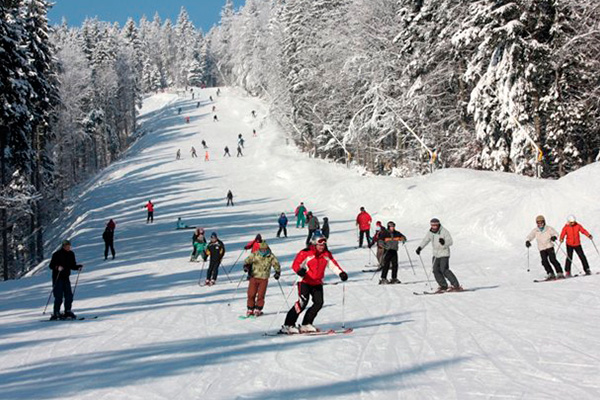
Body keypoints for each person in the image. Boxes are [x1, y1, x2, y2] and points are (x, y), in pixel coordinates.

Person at [280, 235, 348, 334]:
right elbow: (296, 264)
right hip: (305, 282)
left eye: (324, 245)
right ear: (314, 244)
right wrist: (300, 271)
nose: (322, 247)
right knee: (302, 303)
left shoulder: (326, 254)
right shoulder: (306, 253)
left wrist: (341, 273)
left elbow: (333, 265)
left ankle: (306, 324)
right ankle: (288, 324)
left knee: (319, 303)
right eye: (319, 245)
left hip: (317, 282)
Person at [416, 218, 462, 291]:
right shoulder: (430, 232)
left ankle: (456, 285)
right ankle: (443, 285)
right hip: (435, 254)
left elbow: (450, 242)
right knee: (435, 270)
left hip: (444, 253)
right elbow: (426, 240)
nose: (433, 227)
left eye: (435, 225)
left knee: (444, 269)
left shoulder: (444, 231)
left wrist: (444, 243)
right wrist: (420, 247)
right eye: (432, 225)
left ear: (438, 225)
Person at [243, 242, 281, 317]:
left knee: (261, 294)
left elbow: (276, 264)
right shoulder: (255, 254)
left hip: (264, 278)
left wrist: (277, 272)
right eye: (261, 249)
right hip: (254, 276)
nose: (263, 251)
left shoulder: (270, 256)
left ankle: (258, 309)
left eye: (265, 249)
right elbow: (247, 260)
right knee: (251, 293)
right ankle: (250, 308)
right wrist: (246, 266)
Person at [48, 240, 83, 320]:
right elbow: (51, 266)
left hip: (66, 277)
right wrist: (57, 267)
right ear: (63, 246)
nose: (68, 247)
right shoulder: (57, 254)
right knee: (58, 296)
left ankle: (67, 311)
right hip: (57, 277)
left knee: (69, 295)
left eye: (69, 246)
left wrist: (78, 267)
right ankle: (56, 312)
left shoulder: (71, 254)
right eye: (67, 246)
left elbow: (72, 265)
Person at [525, 215, 564, 280]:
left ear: (544, 222)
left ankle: (559, 272)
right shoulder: (536, 230)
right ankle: (550, 273)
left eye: (541, 222)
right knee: (544, 261)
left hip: (549, 246)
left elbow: (555, 233)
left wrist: (554, 237)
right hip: (542, 248)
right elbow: (530, 236)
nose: (540, 224)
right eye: (538, 223)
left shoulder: (548, 228)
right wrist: (527, 241)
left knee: (552, 260)